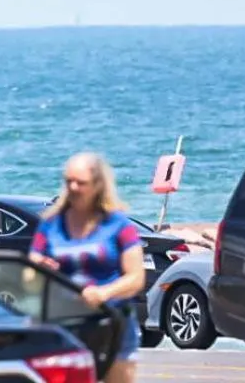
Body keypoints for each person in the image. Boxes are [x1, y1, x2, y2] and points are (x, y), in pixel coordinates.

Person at [28, 152, 148, 383]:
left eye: (80, 183)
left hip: (112, 323)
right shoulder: (50, 225)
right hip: (65, 325)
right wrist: (39, 269)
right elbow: (29, 273)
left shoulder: (119, 225)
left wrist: (103, 293)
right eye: (68, 181)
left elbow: (136, 279)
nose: (73, 188)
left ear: (98, 185)